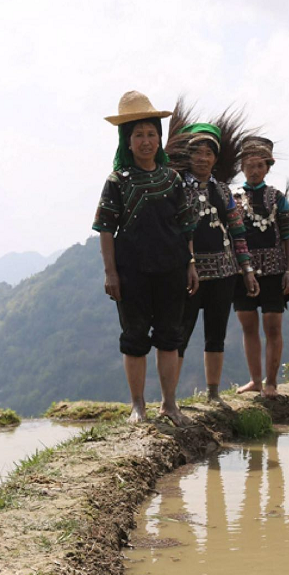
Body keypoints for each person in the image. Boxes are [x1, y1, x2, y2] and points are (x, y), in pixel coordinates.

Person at [93, 90, 199, 426]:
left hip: (172, 268)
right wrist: (111, 273)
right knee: (135, 338)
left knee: (170, 336)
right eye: (138, 134)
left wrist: (191, 263)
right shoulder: (117, 182)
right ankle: (137, 406)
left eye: (152, 133)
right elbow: (106, 230)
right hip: (132, 272)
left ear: (160, 138)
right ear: (127, 140)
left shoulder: (173, 179)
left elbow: (186, 226)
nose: (146, 141)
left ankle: (169, 404)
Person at [164, 103, 259, 403]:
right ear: (187, 156)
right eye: (197, 152)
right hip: (189, 274)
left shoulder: (224, 192)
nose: (203, 158)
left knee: (215, 335)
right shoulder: (176, 188)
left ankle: (214, 394)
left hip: (224, 273)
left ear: (216, 158)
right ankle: (171, 398)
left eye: (208, 153)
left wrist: (246, 270)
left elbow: (237, 232)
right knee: (180, 334)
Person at [232, 136, 289, 398]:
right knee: (248, 326)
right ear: (242, 168)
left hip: (274, 271)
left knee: (272, 326)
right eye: (250, 166)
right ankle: (254, 380)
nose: (255, 170)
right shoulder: (233, 197)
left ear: (268, 167)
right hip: (242, 271)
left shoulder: (276, 197)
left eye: (260, 165)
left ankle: (271, 382)